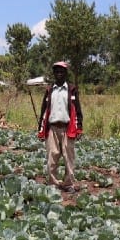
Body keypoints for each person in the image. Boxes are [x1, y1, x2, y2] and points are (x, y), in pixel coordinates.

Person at [37, 61, 83, 192]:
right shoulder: (49, 90)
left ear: (65, 73)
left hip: (67, 128)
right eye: (57, 72)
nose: (59, 74)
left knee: (69, 157)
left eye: (62, 72)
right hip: (52, 128)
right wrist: (41, 129)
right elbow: (44, 110)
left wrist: (79, 127)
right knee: (52, 157)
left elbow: (78, 110)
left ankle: (68, 184)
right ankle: (53, 183)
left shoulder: (71, 89)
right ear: (54, 74)